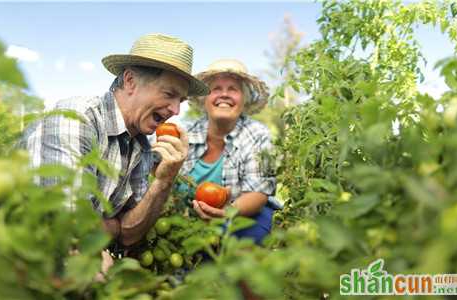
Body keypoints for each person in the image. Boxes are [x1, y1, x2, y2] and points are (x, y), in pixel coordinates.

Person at [19, 34, 209, 254]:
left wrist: (164, 180)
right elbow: (66, 229)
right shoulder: (76, 119)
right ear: (130, 81)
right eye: (169, 94)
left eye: (181, 101)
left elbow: (131, 234)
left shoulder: (141, 145)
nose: (176, 111)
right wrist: (114, 227)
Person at [177, 59, 280, 245]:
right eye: (216, 89)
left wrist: (226, 213)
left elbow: (259, 192)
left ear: (244, 98)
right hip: (187, 218)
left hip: (240, 215)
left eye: (233, 89)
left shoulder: (259, 134)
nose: (224, 94)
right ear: (204, 98)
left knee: (253, 230)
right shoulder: (184, 133)